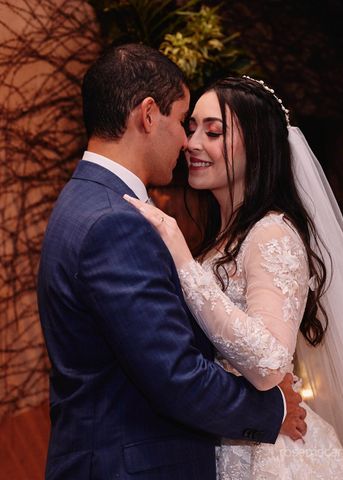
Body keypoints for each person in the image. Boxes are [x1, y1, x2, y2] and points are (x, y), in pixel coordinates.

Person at [126, 76, 343, 479]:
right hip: (229, 436)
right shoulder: (224, 237)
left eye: (213, 132)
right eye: (191, 128)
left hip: (267, 456)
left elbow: (268, 363)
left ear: (260, 146)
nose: (192, 143)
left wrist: (183, 264)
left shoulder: (271, 233)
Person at [36, 45, 306, 480]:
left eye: (210, 131)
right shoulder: (113, 222)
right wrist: (273, 408)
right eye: (184, 122)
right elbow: (175, 375)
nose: (187, 141)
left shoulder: (87, 201)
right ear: (147, 115)